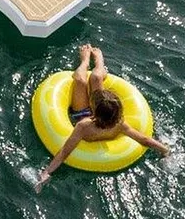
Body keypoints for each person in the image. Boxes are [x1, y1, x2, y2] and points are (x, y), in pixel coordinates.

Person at [35, 45, 169, 192]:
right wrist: (165, 150)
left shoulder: (83, 126)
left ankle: (85, 61)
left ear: (94, 109)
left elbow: (64, 152)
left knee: (80, 80)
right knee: (96, 78)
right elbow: (144, 140)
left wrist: (46, 172)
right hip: (102, 115)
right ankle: (99, 62)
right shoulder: (119, 124)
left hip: (81, 113)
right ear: (118, 112)